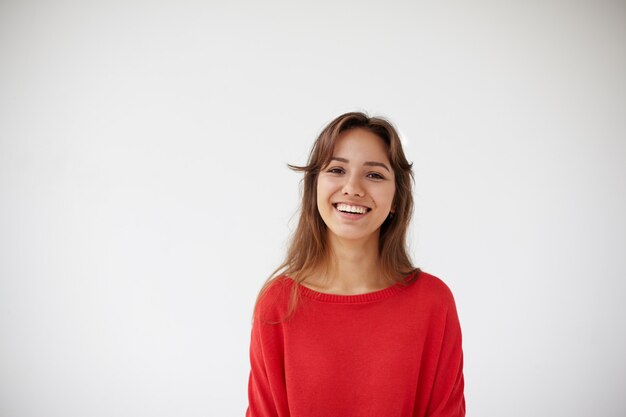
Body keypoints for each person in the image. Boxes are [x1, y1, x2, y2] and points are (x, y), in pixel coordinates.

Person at [246, 112, 465, 417]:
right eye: (337, 169)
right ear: (315, 188)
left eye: (374, 174)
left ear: (396, 199)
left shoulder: (433, 302)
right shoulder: (277, 303)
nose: (353, 187)